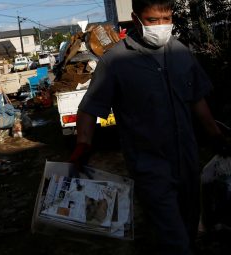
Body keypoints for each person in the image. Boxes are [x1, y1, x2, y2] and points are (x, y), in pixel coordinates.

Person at [70, 0, 230, 254]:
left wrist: (215, 134)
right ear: (136, 19)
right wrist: (83, 143)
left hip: (187, 162)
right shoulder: (115, 61)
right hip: (149, 166)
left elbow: (197, 99)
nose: (161, 26)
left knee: (189, 229)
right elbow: (90, 108)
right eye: (153, 20)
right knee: (174, 240)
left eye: (166, 19)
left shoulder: (180, 52)